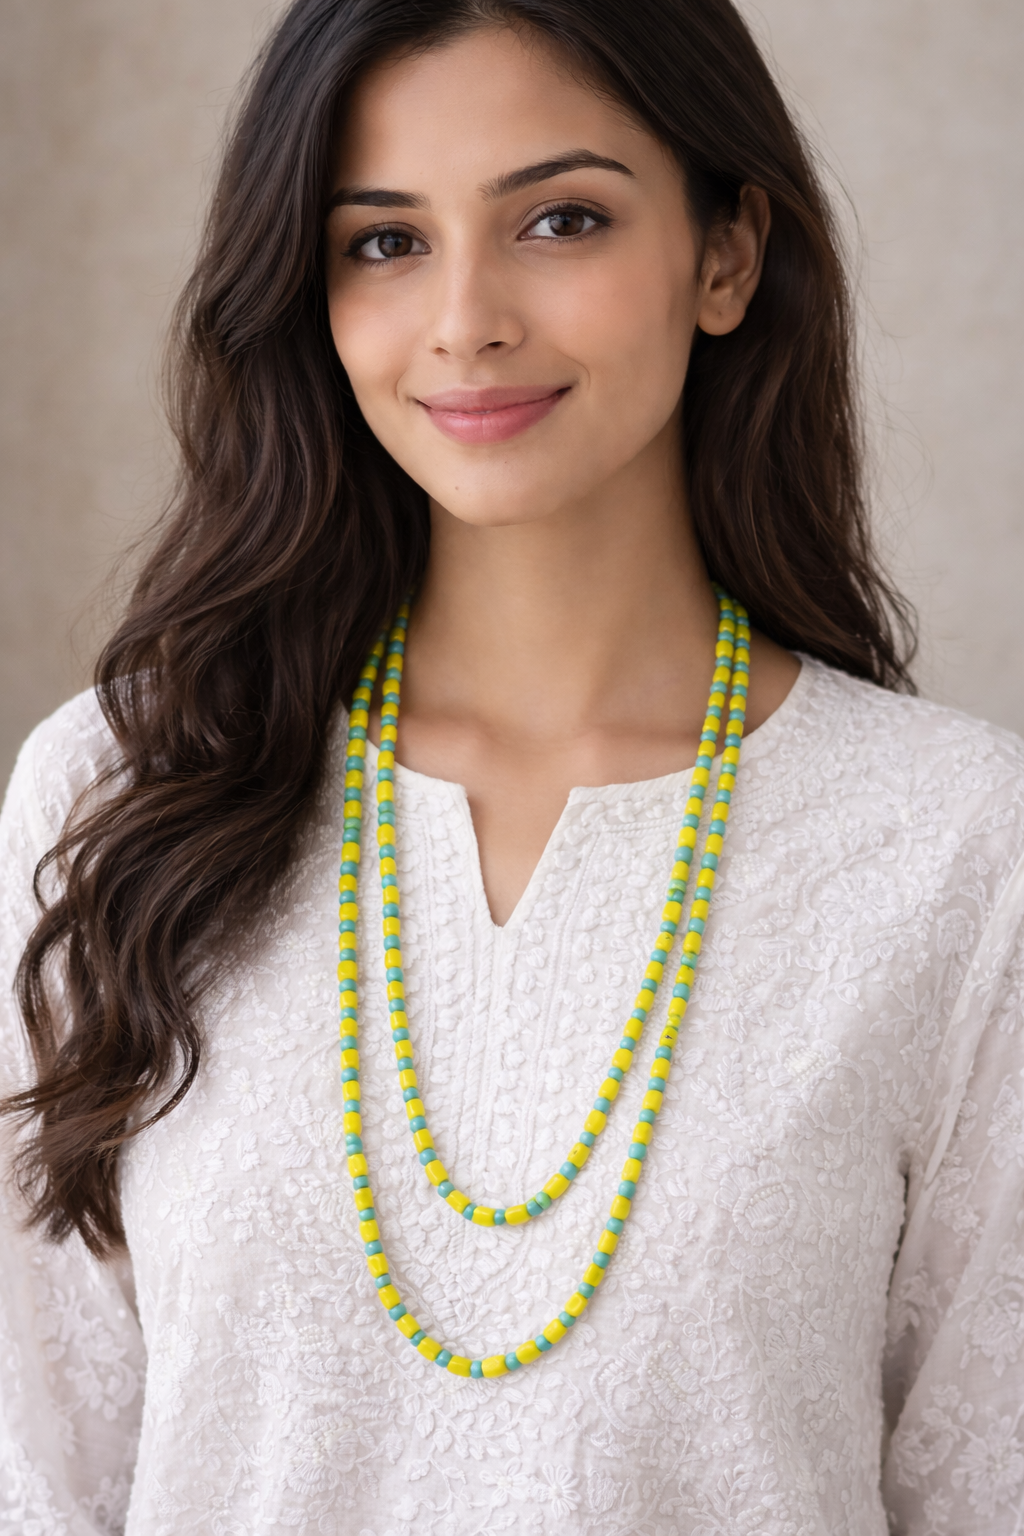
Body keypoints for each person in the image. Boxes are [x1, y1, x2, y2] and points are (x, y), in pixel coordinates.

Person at [1, 0, 1022, 1531]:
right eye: (385, 241)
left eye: (560, 218)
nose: (465, 317)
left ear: (727, 255)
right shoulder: (120, 792)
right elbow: (38, 1467)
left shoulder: (956, 845)